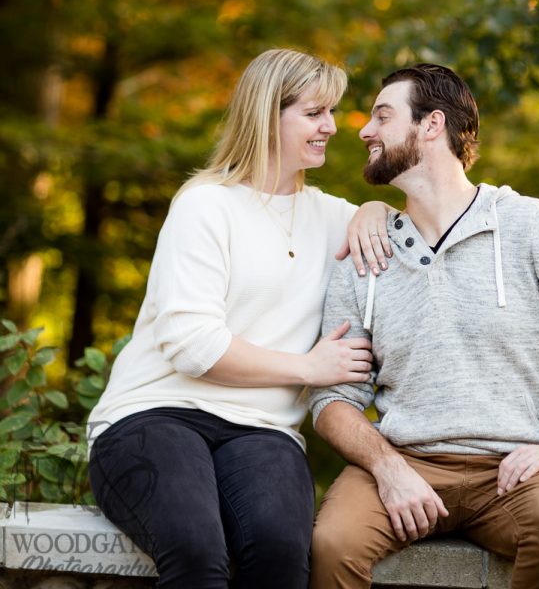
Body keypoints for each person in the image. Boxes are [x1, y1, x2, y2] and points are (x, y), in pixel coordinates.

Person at [309, 63, 539, 589]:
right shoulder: (367, 249)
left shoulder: (526, 224)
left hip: (516, 471)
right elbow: (333, 397)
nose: (363, 130)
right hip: (405, 460)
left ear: (432, 124)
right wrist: (387, 467)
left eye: (382, 116)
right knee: (332, 545)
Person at [87, 48, 393, 589]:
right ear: (267, 116)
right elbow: (194, 347)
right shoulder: (206, 205)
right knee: (196, 550)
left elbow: (405, 228)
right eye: (314, 113)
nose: (330, 126)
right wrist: (308, 367)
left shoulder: (332, 216)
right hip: (156, 414)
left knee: (280, 553)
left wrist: (375, 209)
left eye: (330, 111)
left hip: (262, 430)